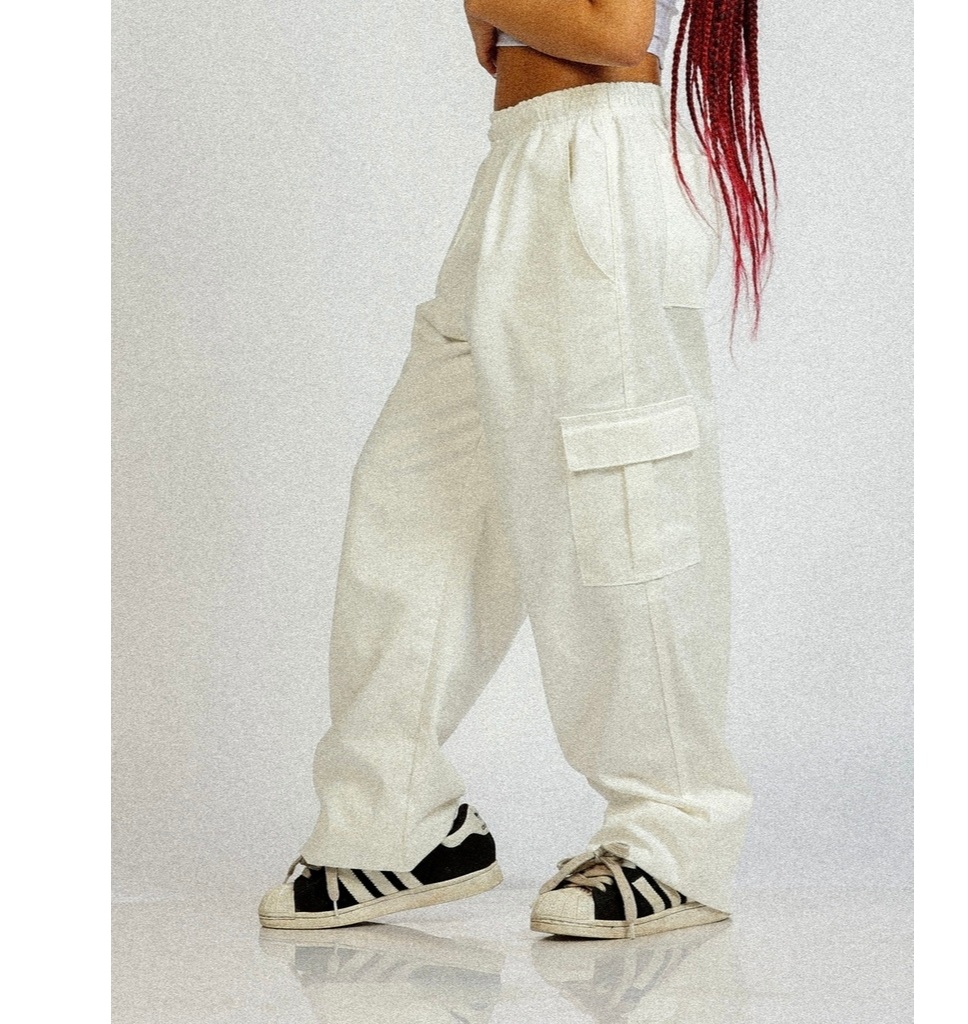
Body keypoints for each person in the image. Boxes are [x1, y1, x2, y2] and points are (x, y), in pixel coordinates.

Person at [259, 0, 776, 940]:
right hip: (527, 160)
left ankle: (676, 832)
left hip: (597, 163)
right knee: (417, 495)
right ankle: (396, 822)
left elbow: (612, 30)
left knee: (620, 505)